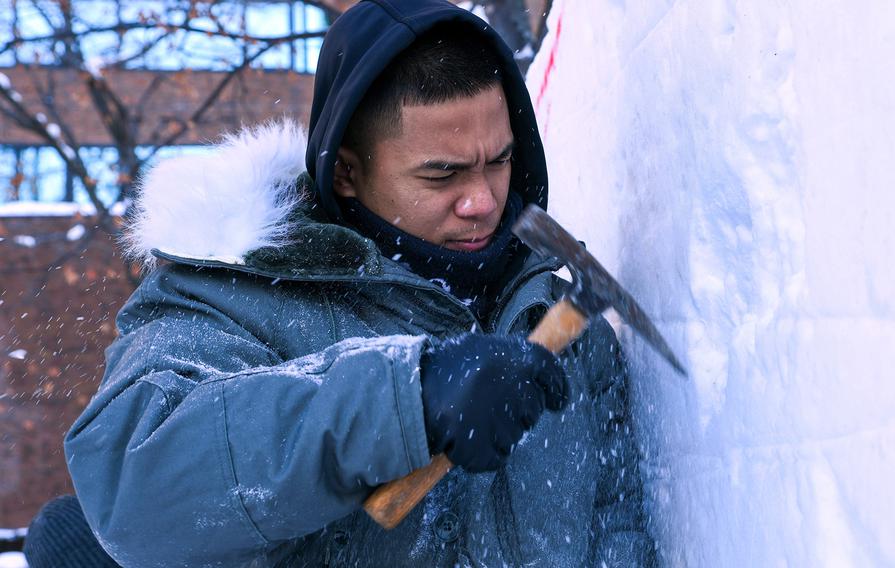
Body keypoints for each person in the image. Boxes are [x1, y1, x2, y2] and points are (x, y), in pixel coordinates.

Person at [64, 0, 656, 566]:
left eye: (498, 161)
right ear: (347, 172)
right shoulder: (230, 296)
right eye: (442, 174)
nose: (482, 201)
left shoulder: (555, 323)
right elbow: (133, 486)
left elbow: (620, 528)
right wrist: (406, 398)